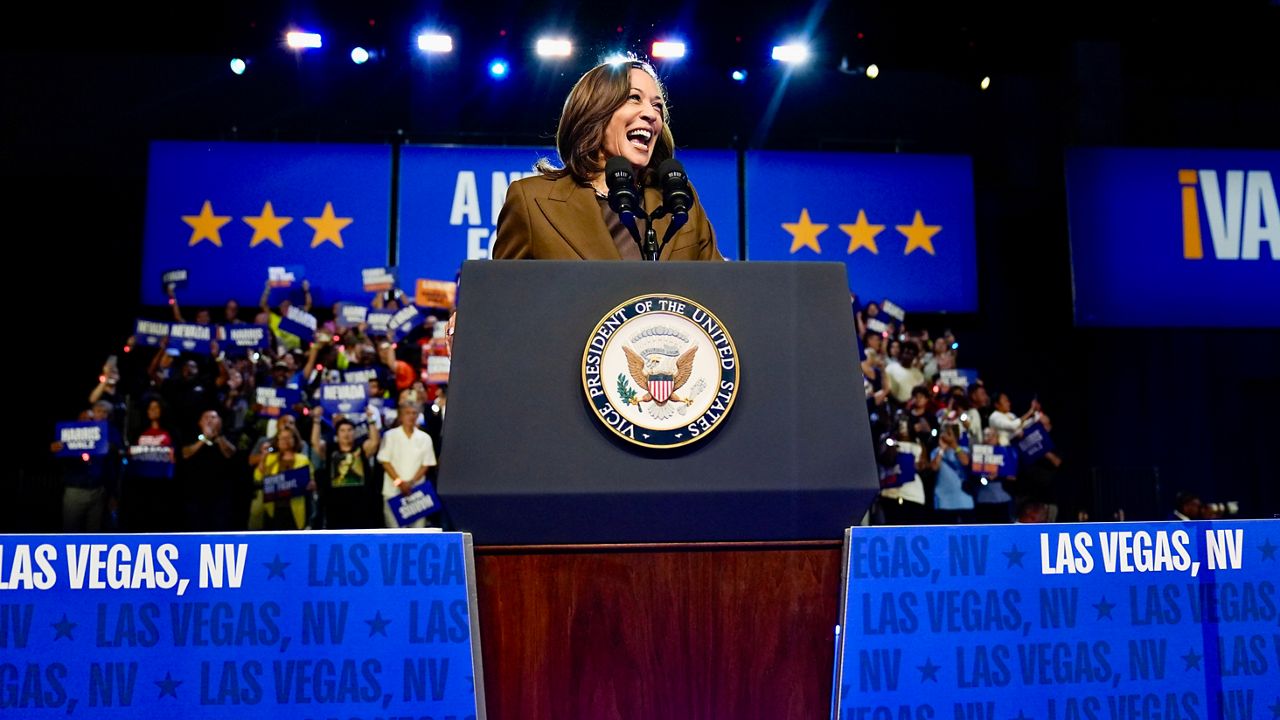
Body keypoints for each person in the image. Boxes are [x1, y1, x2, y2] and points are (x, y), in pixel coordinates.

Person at [492, 58, 721, 261]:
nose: (651, 114)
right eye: (634, 98)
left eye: (657, 106)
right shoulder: (532, 201)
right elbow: (504, 296)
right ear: (595, 111)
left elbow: (720, 294)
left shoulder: (678, 200)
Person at [377, 399, 437, 528]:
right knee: (396, 532)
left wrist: (411, 483)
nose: (411, 416)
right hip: (393, 492)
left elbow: (426, 464)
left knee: (419, 531)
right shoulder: (390, 436)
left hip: (418, 492)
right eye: (408, 413)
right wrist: (400, 482)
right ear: (401, 416)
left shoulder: (425, 438)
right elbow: (385, 462)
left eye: (414, 413)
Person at [250, 424, 313, 530]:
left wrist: (311, 484)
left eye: (288, 437)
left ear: (295, 440)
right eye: (282, 438)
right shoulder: (271, 458)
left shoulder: (303, 459)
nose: (285, 441)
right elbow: (258, 477)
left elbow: (310, 480)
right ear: (277, 441)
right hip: (274, 508)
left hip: (295, 507)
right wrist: (263, 458)